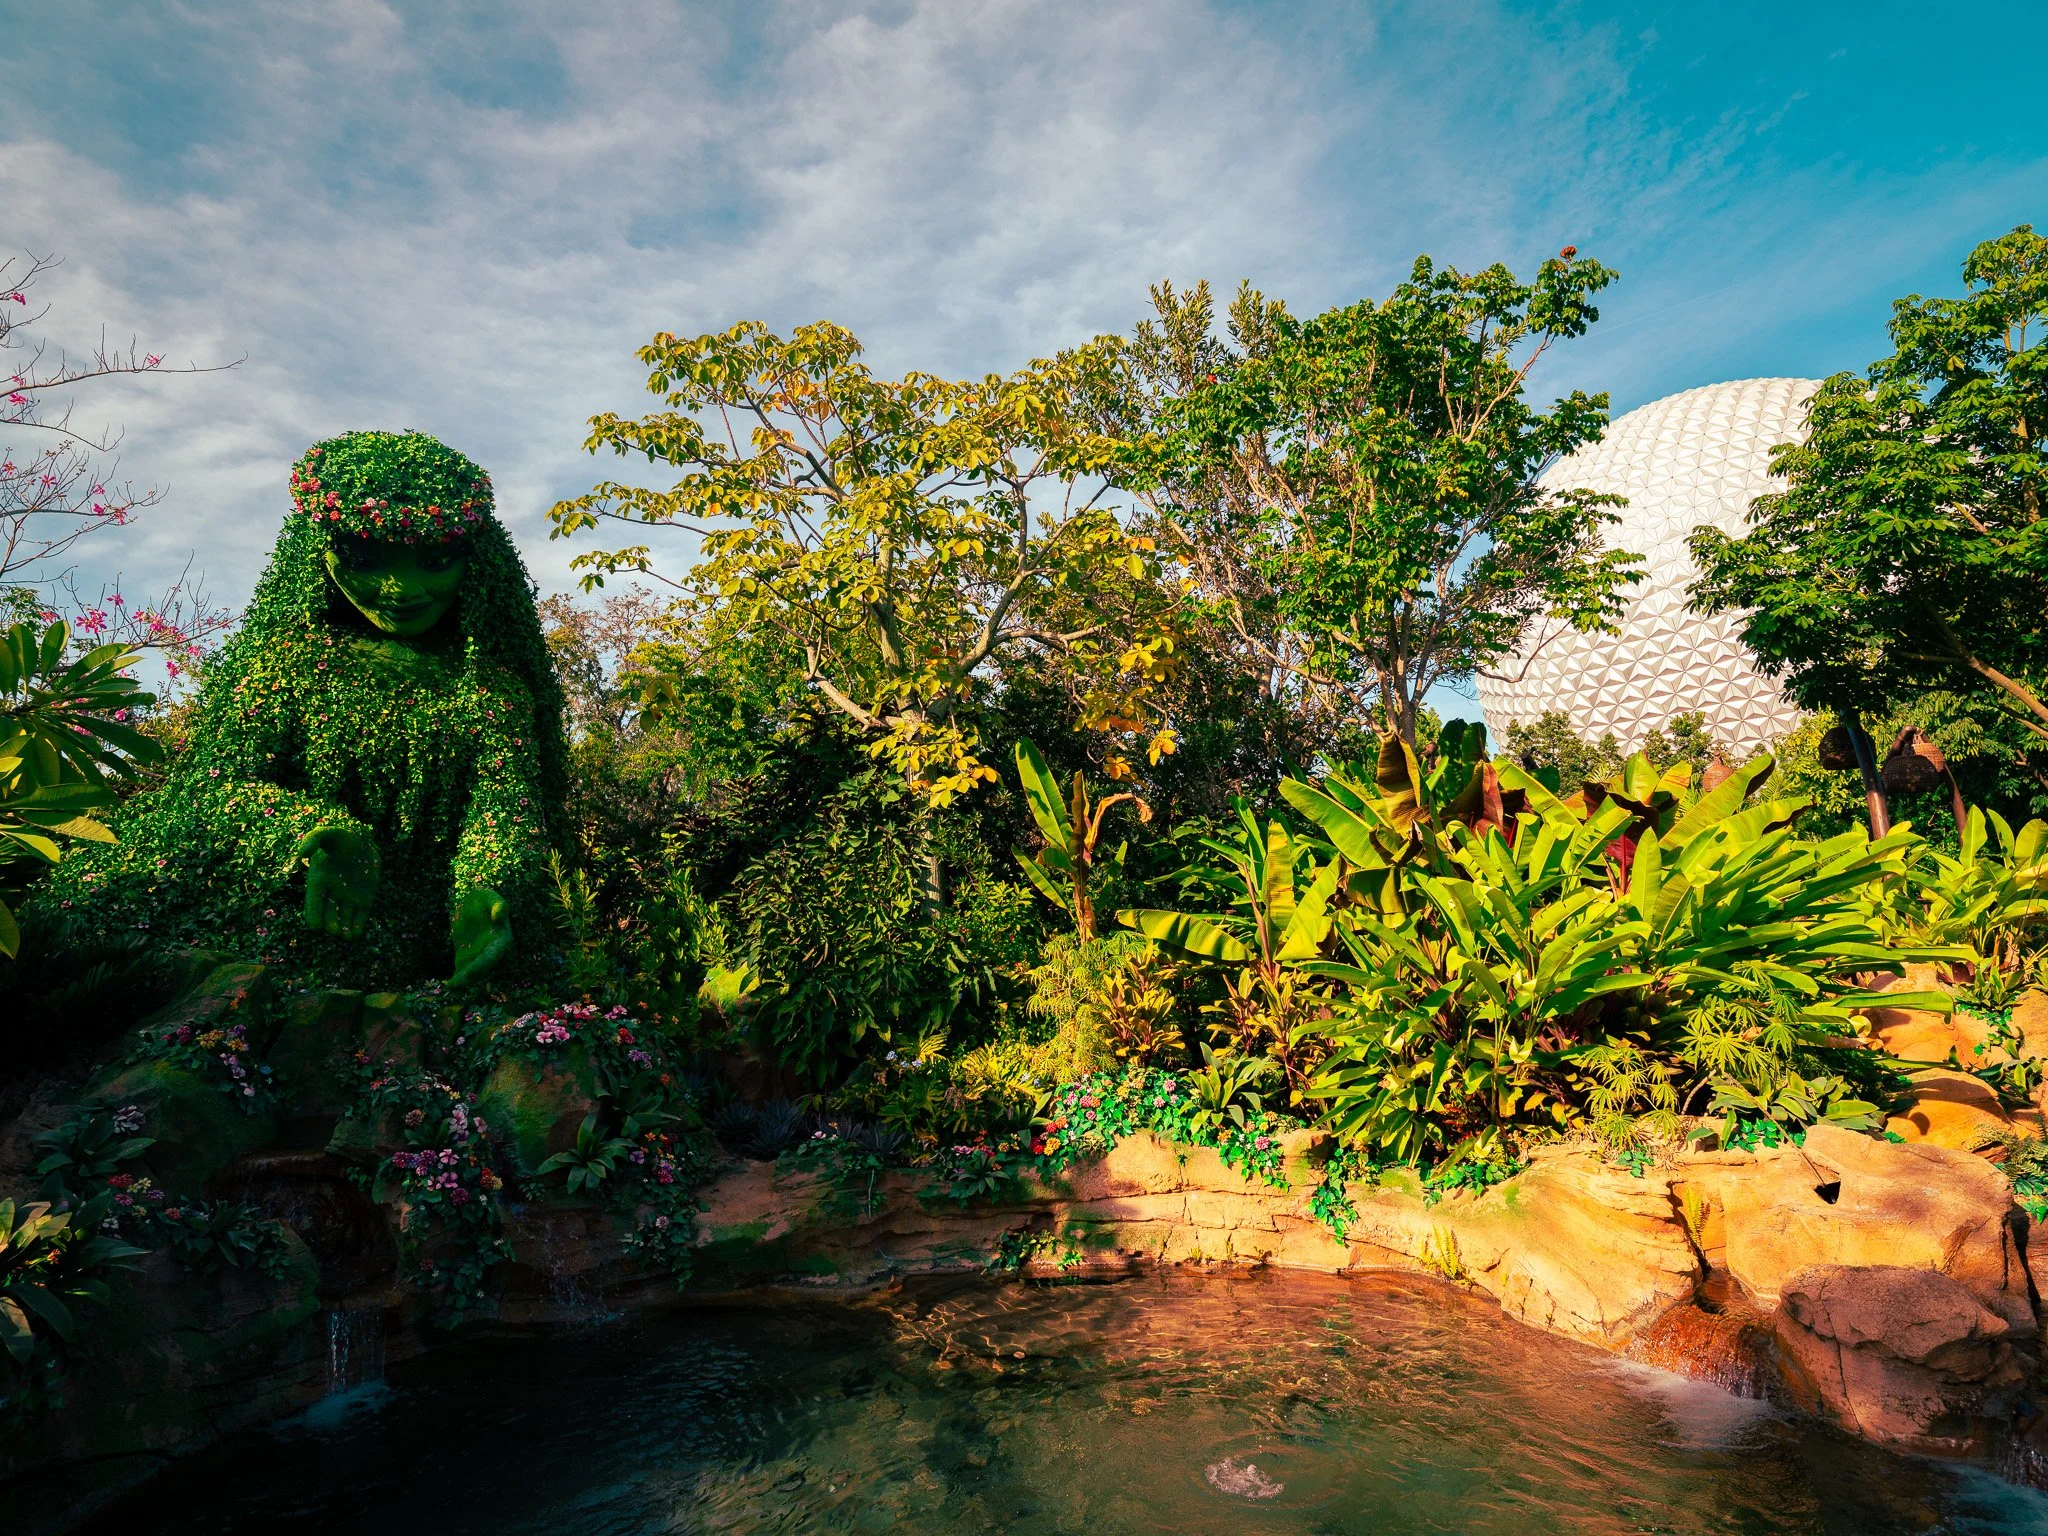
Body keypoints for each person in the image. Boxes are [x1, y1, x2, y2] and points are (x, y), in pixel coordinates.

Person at [32, 431, 570, 986]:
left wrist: (488, 888)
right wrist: (322, 830)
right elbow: (214, 787)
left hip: (418, 931)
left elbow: (506, 814)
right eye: (363, 559)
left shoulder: (495, 692)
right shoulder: (285, 664)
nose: (402, 588)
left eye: (435, 561)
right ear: (318, 556)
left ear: (476, 565)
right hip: (290, 907)